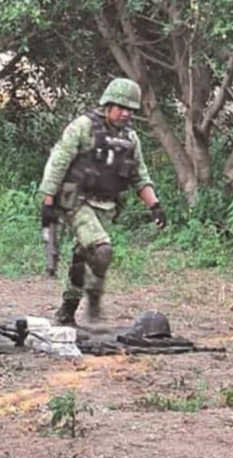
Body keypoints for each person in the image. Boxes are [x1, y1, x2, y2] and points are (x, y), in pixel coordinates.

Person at [40, 78, 167, 325]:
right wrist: (48, 201)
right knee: (102, 250)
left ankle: (67, 311)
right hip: (74, 201)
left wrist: (155, 206)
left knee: (84, 258)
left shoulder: (130, 138)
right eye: (121, 107)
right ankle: (92, 298)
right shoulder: (83, 127)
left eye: (130, 109)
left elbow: (139, 176)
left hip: (105, 206)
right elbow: (58, 163)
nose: (125, 113)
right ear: (108, 104)